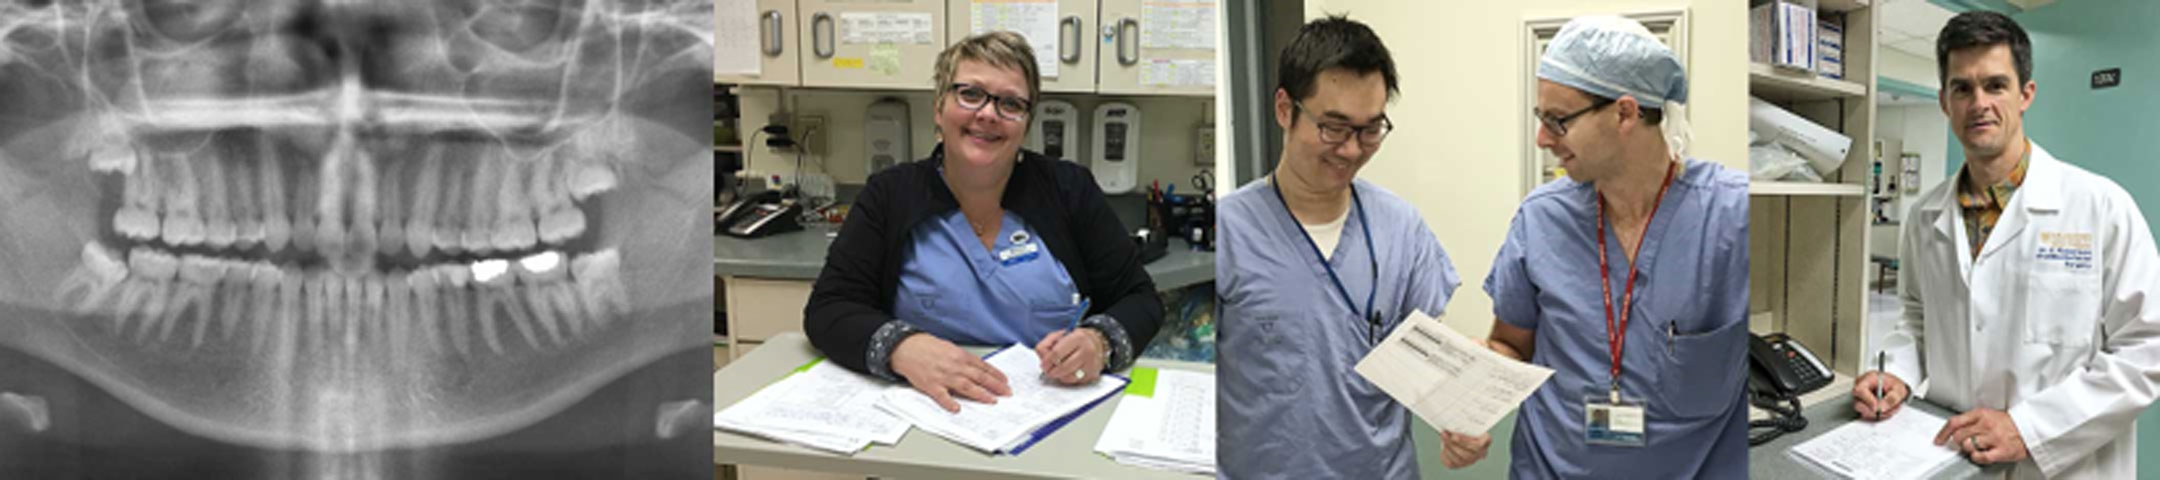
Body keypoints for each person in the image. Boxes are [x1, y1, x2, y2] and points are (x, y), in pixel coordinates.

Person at [1855, 11, 2160, 478]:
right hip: (1952, 456)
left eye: (1996, 85)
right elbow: (1916, 317)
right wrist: (1897, 373)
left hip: (2065, 466)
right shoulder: (1925, 216)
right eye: (1962, 88)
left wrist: (2030, 428)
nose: (1979, 103)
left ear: (2025, 95)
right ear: (1944, 101)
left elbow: (2145, 349)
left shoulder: (2101, 207)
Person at [1445, 15, 1751, 478]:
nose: (1542, 138)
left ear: (1625, 113)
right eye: (1540, 119)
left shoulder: (1733, 219)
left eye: (1558, 121)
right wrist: (1475, 384)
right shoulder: (1541, 220)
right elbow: (1512, 344)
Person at [802, 32, 1162, 412]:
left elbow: (1141, 299)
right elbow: (830, 308)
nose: (988, 114)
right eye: (970, 94)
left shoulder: (1068, 189)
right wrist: (900, 348)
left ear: (1025, 123)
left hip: (1047, 410)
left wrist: (1097, 342)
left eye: (1010, 103)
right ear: (939, 108)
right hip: (923, 410)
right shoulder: (890, 195)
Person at [1215, 16, 1462, 479]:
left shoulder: (1402, 229)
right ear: (1285, 109)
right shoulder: (1230, 230)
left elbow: (1428, 361)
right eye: (1334, 127)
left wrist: (1461, 421)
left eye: (1371, 130)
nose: (1351, 150)